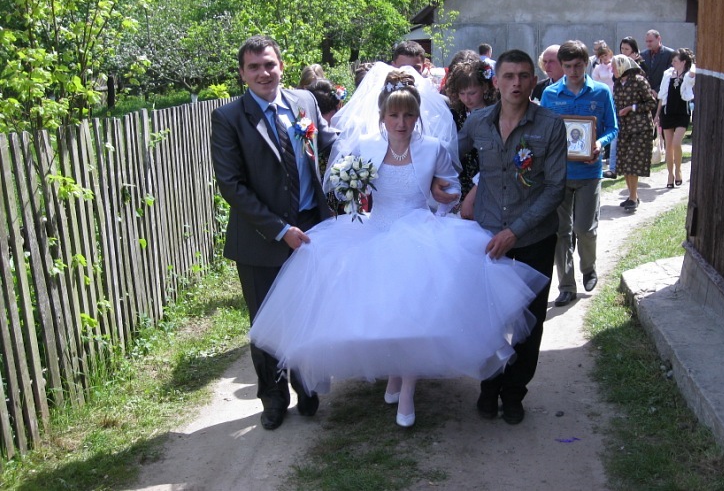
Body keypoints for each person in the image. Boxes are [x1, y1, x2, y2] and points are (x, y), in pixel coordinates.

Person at [249, 66, 549, 428]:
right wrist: (352, 189)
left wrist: (443, 197)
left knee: (415, 317)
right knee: (386, 316)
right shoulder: (366, 145)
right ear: (382, 116)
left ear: (417, 116)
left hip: (420, 231)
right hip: (375, 231)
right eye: (394, 115)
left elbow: (451, 188)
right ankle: (394, 372)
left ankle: (407, 388)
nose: (401, 123)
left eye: (408, 115)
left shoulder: (433, 148)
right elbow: (344, 186)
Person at [210, 35, 340, 431]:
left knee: (309, 314)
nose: (263, 73)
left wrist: (372, 148)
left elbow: (327, 142)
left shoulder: (304, 102)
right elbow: (232, 185)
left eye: (269, 64)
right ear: (242, 74)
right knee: (267, 323)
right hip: (261, 239)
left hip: (312, 230)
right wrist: (280, 230)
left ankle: (306, 384)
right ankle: (273, 397)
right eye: (254, 67)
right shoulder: (229, 118)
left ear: (281, 66)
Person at [436, 49, 567, 425]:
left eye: (524, 76)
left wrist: (515, 231)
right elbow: (448, 156)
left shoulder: (550, 125)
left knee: (529, 322)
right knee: (488, 320)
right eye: (508, 76)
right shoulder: (478, 122)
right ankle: (489, 386)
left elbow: (555, 188)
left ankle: (513, 393)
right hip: (487, 239)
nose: (516, 83)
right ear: (496, 82)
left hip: (533, 239)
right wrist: (430, 177)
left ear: (533, 81)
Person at [540, 40, 618, 307]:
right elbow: (543, 131)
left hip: (588, 172)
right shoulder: (550, 94)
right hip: (558, 174)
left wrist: (599, 143)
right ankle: (566, 286)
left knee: (585, 228)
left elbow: (612, 128)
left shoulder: (601, 92)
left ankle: (589, 268)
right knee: (560, 231)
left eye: (578, 66)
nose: (573, 71)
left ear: (586, 64)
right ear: (561, 66)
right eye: (568, 66)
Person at [443, 59, 498, 204]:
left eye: (472, 93)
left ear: (484, 87)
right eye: (462, 93)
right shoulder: (454, 115)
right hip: (460, 177)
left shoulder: (495, 114)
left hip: (487, 177)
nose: (467, 99)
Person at [610, 54, 657, 211]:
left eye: (614, 67)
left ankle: (632, 197)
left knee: (632, 162)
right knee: (624, 163)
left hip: (640, 128)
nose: (612, 70)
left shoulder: (639, 81)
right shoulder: (617, 84)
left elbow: (651, 102)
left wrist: (632, 108)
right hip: (624, 128)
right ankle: (632, 196)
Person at [655, 48, 696, 188]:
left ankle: (678, 170)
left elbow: (693, 73)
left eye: (675, 61)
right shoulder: (667, 74)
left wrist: (691, 63)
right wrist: (657, 115)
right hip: (667, 112)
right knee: (669, 146)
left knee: (676, 143)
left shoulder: (688, 75)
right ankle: (670, 174)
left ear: (683, 62)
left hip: (682, 113)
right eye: (672, 61)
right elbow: (661, 96)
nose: (672, 63)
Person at [592, 45, 617, 178]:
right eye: (602, 56)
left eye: (606, 55)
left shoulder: (614, 64)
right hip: (604, 98)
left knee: (614, 129)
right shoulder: (597, 68)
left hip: (616, 96)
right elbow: (595, 82)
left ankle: (613, 164)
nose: (605, 58)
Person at [640, 30, 674, 95]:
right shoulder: (643, 55)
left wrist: (657, 90)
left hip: (663, 94)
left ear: (658, 39)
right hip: (646, 94)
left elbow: (670, 75)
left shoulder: (669, 54)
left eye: (650, 41)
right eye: (647, 41)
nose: (648, 44)